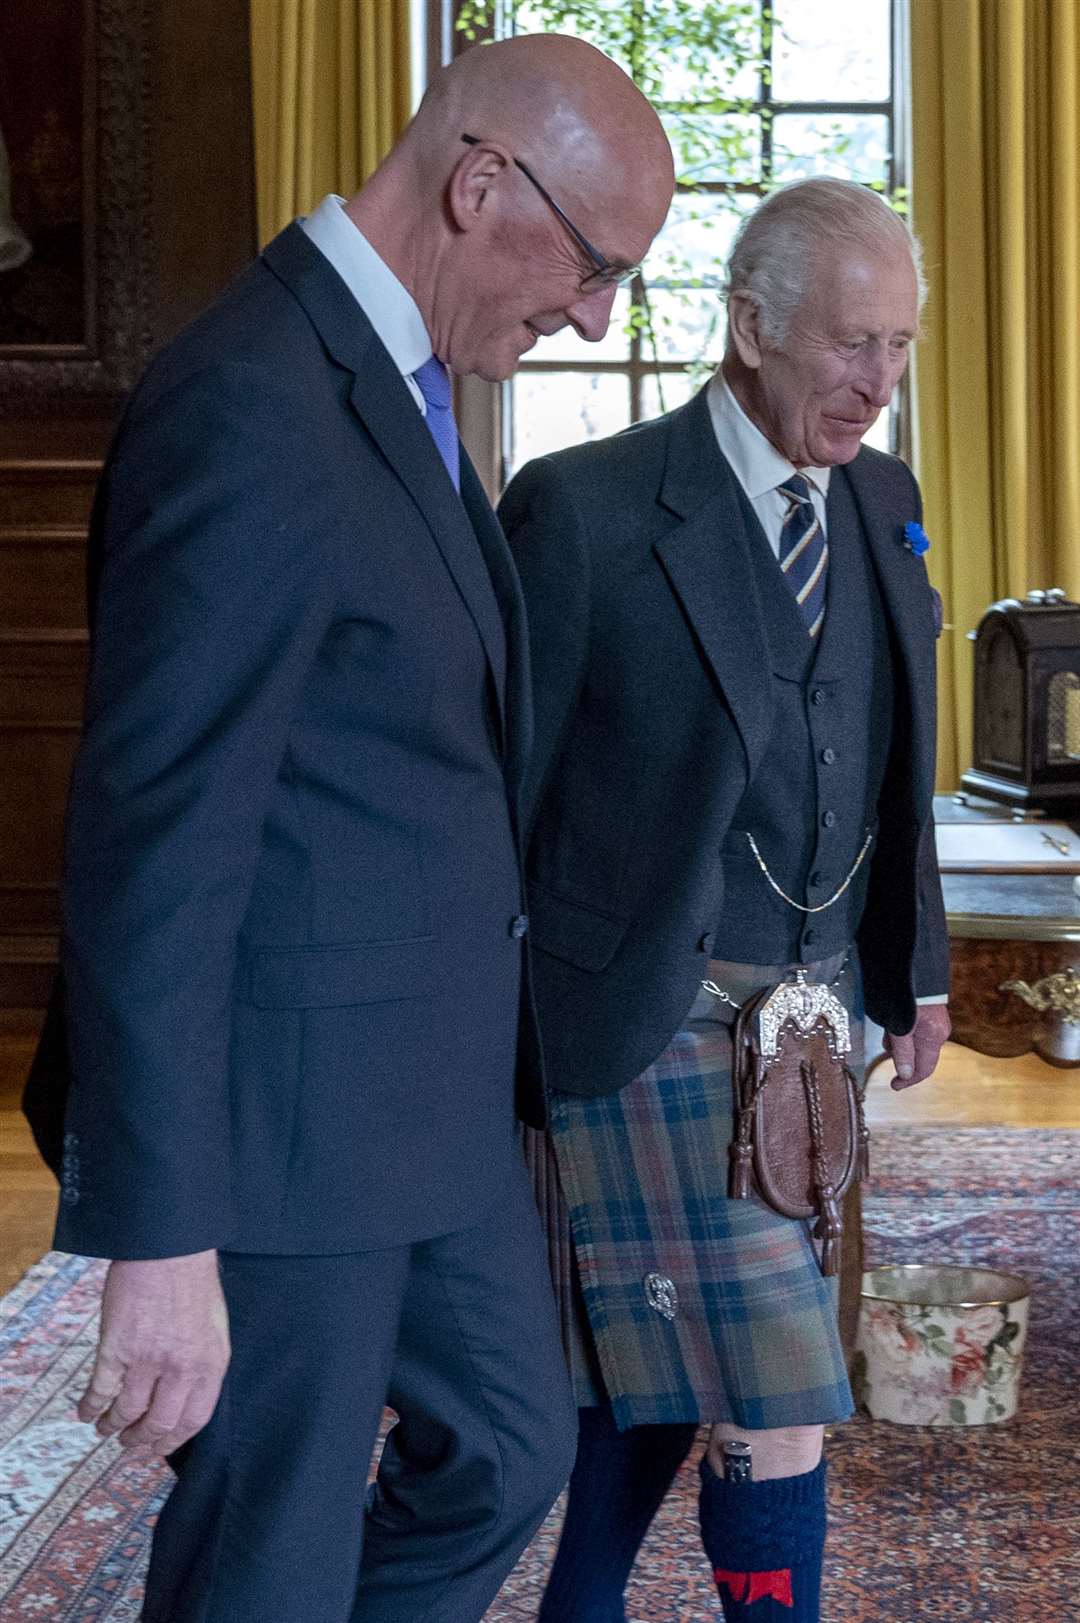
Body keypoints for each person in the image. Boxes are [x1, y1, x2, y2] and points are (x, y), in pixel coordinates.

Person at [21, 33, 674, 1623]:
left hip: (422, 1114)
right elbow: (156, 840)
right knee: (272, 1548)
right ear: (477, 185)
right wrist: (162, 1235)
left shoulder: (399, 378)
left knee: (513, 1450)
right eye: (596, 268)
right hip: (278, 1128)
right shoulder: (249, 398)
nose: (595, 315)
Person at [498, 176, 951, 1623]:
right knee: (774, 1372)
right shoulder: (587, 507)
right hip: (645, 1012)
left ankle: (581, 1602)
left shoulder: (885, 498)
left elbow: (898, 748)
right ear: (751, 327)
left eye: (900, 347)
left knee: (668, 1361)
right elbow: (502, 791)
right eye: (848, 344)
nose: (878, 384)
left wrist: (917, 964)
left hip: (811, 1021)